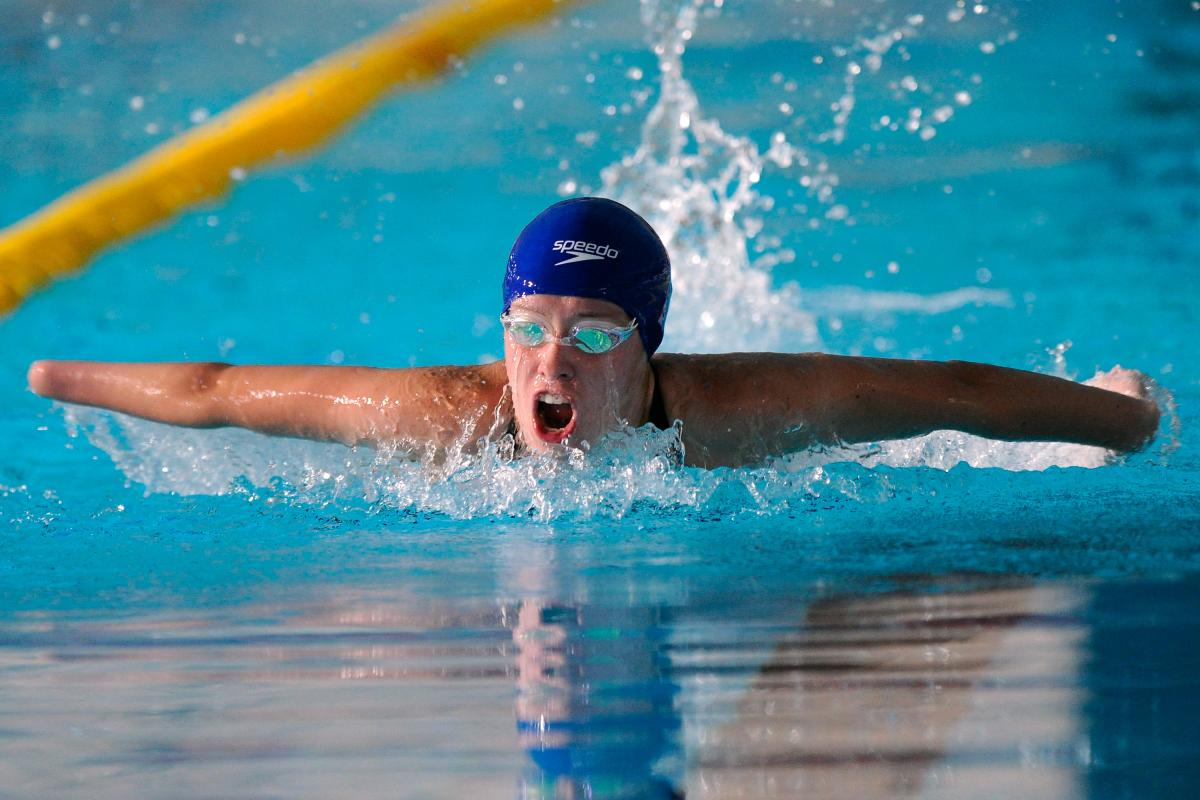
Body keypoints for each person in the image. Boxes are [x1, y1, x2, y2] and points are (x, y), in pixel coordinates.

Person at [26, 197, 1160, 469]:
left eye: (594, 334)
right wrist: (55, 373)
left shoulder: (737, 410)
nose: (552, 360)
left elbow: (950, 387)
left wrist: (1122, 420)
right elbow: (219, 386)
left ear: (650, 345)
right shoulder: (449, 416)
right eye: (529, 328)